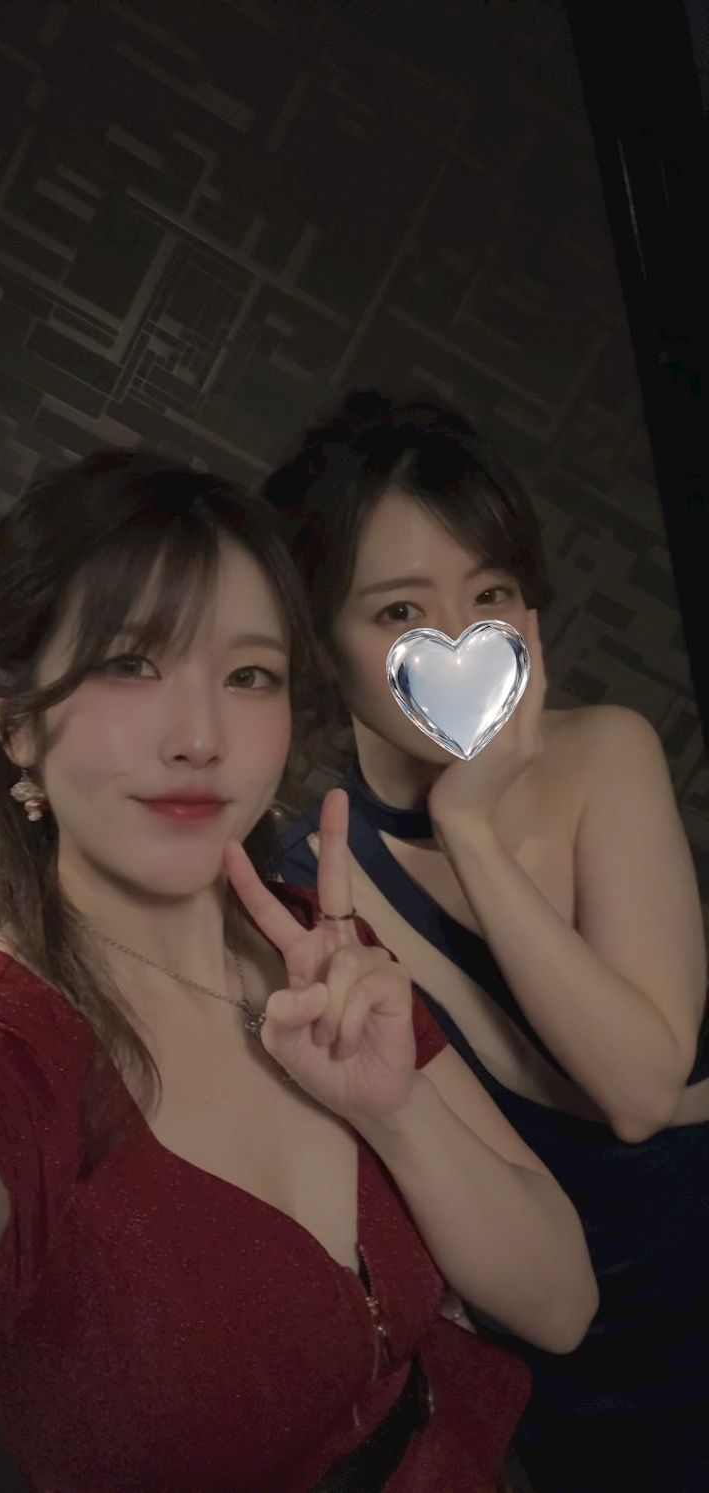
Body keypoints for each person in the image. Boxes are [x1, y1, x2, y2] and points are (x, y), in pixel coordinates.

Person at [0, 450, 597, 1493]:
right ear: (15, 721)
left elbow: (563, 1305)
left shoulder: (319, 943)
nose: (202, 737)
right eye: (131, 662)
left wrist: (396, 1111)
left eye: (249, 674)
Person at [267, 389, 709, 1493]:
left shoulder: (605, 752)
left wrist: (467, 828)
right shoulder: (311, 876)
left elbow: (640, 1088)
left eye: (492, 594)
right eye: (398, 609)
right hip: (570, 1354)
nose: (458, 640)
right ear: (320, 645)